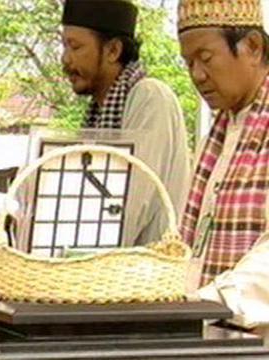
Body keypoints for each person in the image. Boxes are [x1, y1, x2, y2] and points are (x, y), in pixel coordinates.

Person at [60, 0, 192, 246]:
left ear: (113, 51)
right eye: (64, 46)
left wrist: (78, 257)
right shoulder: (98, 112)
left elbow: (129, 205)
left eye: (75, 47)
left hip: (143, 274)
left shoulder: (149, 97)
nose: (65, 60)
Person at [177, 0, 269, 338]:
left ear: (253, 47)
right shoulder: (214, 139)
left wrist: (207, 300)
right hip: (207, 334)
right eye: (188, 63)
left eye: (205, 58)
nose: (197, 75)